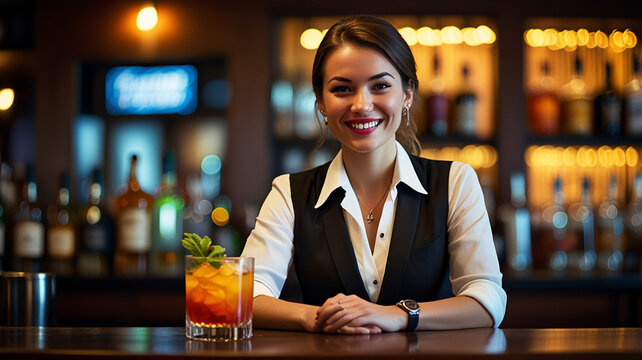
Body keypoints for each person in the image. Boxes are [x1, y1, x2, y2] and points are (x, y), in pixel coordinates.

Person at [241, 15, 506, 334]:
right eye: (342, 89)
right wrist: (321, 318)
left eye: (380, 86)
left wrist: (398, 315)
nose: (361, 105)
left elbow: (487, 300)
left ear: (407, 94)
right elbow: (246, 294)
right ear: (321, 102)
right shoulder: (289, 192)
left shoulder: (455, 181)